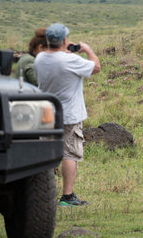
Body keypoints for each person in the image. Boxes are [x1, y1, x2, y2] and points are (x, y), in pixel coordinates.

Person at [34, 23, 101, 206]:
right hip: (69, 114)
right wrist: (87, 49)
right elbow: (96, 68)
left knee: (46, 154)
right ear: (64, 40)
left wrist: (67, 54)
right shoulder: (70, 61)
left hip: (46, 114)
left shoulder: (39, 58)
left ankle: (42, 194)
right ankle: (67, 196)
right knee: (69, 153)